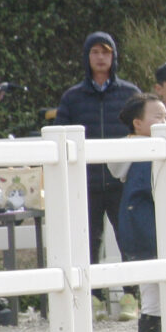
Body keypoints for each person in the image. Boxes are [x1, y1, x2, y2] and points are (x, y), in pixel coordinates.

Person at [57, 32, 142, 262]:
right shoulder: (72, 98)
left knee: (129, 242)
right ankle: (89, 287)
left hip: (122, 183)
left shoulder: (131, 94)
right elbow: (60, 137)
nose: (100, 57)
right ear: (87, 57)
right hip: (86, 183)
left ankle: (133, 286)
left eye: (105, 52)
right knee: (88, 246)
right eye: (95, 52)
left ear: (114, 56)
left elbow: (142, 134)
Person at [117, 93, 166, 332]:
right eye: (158, 117)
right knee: (156, 298)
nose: (165, 121)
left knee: (155, 299)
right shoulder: (137, 153)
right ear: (137, 124)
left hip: (147, 231)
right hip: (148, 233)